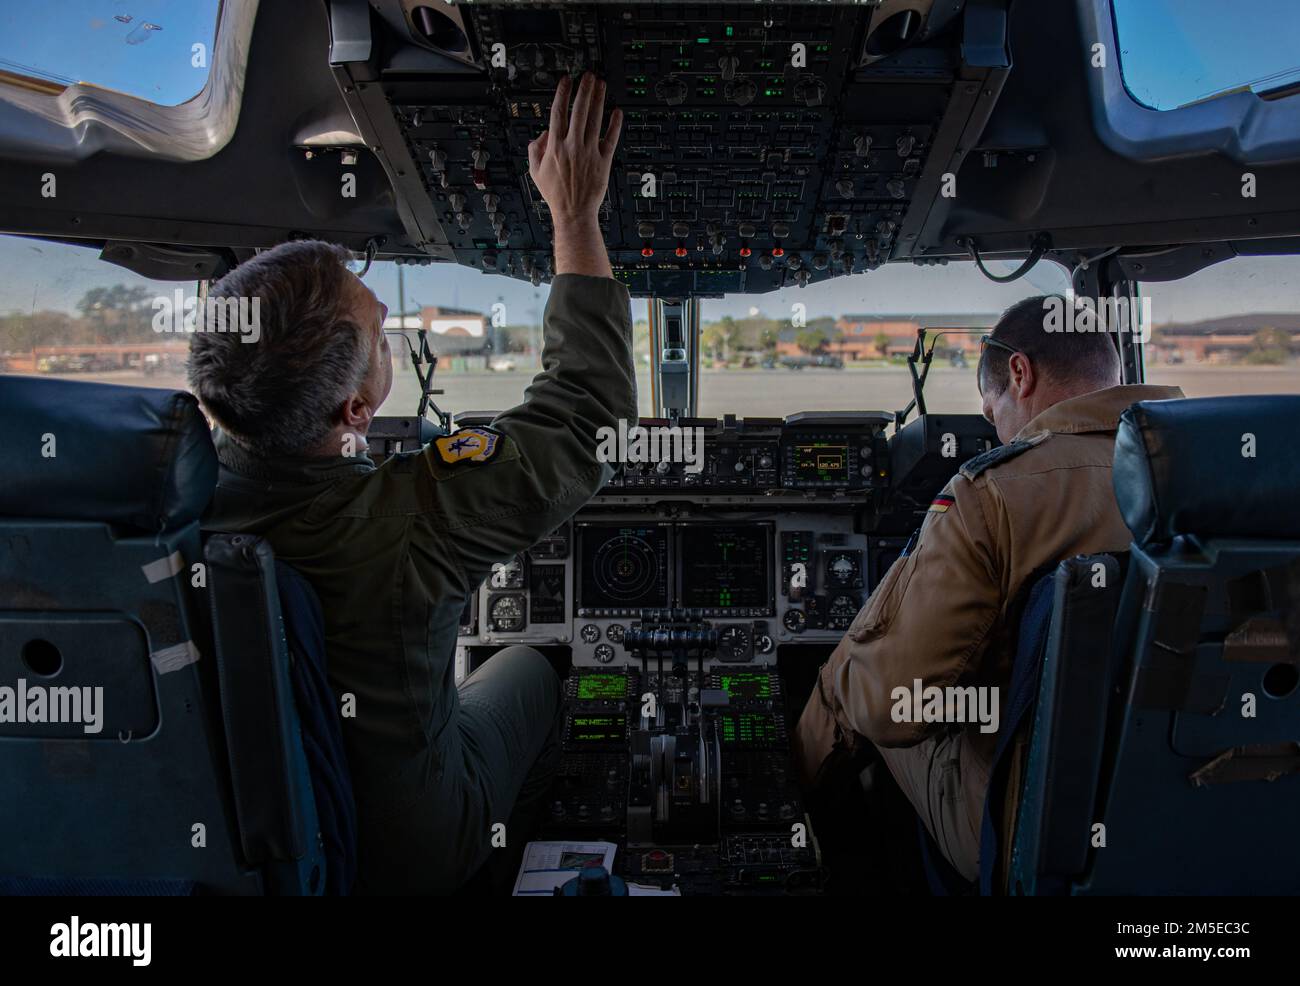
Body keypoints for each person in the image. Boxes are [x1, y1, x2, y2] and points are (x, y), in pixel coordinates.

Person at [188, 73, 629, 893]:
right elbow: (586, 416)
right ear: (357, 409)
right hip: (410, 846)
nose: (389, 332)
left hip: (243, 831)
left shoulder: (160, 508)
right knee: (533, 667)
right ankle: (504, 862)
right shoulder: (409, 518)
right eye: (380, 334)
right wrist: (574, 214)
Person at [792, 295, 1183, 883]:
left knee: (850, 689)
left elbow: (896, 707)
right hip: (1201, 806)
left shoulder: (994, 493)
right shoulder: (1230, 468)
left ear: (1019, 374)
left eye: (992, 405)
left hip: (1034, 827)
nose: (994, 424)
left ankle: (785, 843)